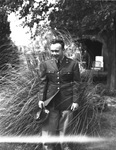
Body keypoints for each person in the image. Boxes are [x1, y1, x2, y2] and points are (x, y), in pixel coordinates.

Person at [38, 39, 81, 150]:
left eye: (57, 51)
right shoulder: (46, 64)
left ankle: (65, 148)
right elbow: (43, 83)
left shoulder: (73, 64)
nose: (54, 53)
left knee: (65, 129)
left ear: (63, 50)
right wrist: (41, 99)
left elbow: (77, 84)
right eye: (52, 51)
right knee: (49, 130)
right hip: (50, 101)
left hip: (67, 100)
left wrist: (75, 101)